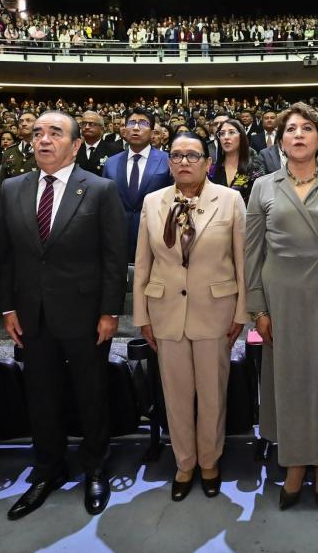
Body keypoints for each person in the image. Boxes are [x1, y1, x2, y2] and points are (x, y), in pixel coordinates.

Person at [0, 111, 127, 520]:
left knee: (90, 394)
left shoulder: (101, 189)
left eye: (55, 133)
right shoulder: (12, 188)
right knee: (41, 395)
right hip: (31, 315)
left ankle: (94, 466)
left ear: (74, 145)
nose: (43, 139)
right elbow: (6, 255)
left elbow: (113, 257)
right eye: (37, 133)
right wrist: (8, 306)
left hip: (86, 313)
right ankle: (48, 469)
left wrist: (109, 311)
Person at [245, 102, 318, 515]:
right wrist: (258, 307)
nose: (297, 134)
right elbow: (252, 254)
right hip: (282, 297)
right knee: (292, 382)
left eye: (306, 128)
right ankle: (295, 463)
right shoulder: (263, 186)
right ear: (280, 140)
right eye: (289, 129)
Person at [135, 132, 247, 502]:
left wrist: (241, 311)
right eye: (177, 155)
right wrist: (142, 315)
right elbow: (143, 264)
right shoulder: (153, 202)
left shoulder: (230, 200)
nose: (184, 161)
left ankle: (210, 460)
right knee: (176, 393)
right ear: (169, 162)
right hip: (165, 310)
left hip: (215, 310)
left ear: (207, 162)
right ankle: (184, 462)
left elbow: (242, 261)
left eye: (193, 155)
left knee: (213, 393)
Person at [103, 108, 173, 260]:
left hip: (157, 237)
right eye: (131, 123)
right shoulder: (111, 163)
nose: (136, 128)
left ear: (153, 132)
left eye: (142, 123)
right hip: (118, 238)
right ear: (124, 130)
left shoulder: (167, 160)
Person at [209, 119, 264, 204]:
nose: (226, 137)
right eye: (222, 133)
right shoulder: (213, 170)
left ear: (241, 136)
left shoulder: (254, 168)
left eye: (231, 132)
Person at [0, 112, 37, 185]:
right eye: (21, 121)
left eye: (28, 120)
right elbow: (2, 183)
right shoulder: (8, 152)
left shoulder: (44, 150)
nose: (24, 124)